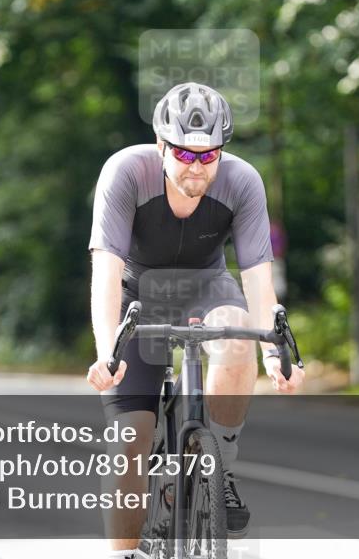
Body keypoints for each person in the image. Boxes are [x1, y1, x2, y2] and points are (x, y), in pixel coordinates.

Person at [86, 82, 305, 558]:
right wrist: (107, 351)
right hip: (136, 294)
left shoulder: (243, 181)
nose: (197, 168)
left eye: (209, 157)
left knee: (237, 334)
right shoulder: (125, 172)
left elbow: (258, 279)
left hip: (207, 286)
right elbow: (105, 272)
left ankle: (220, 467)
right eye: (185, 155)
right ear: (162, 146)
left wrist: (273, 351)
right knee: (129, 447)